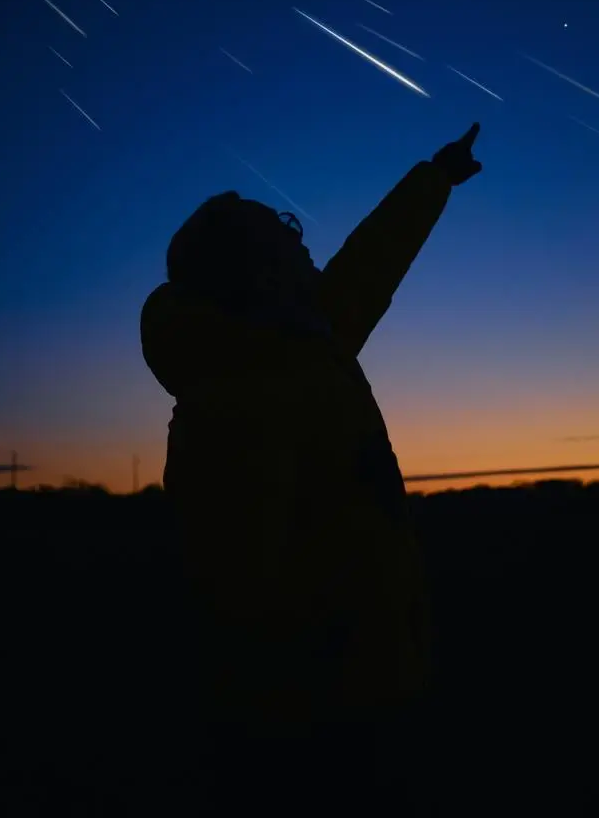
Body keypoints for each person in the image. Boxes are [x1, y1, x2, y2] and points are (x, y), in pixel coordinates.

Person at [140, 123, 482, 811]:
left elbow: (368, 266)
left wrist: (433, 180)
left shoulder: (293, 342)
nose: (307, 246)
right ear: (263, 275)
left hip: (364, 682)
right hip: (322, 717)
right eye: (288, 237)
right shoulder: (241, 394)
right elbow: (241, 591)